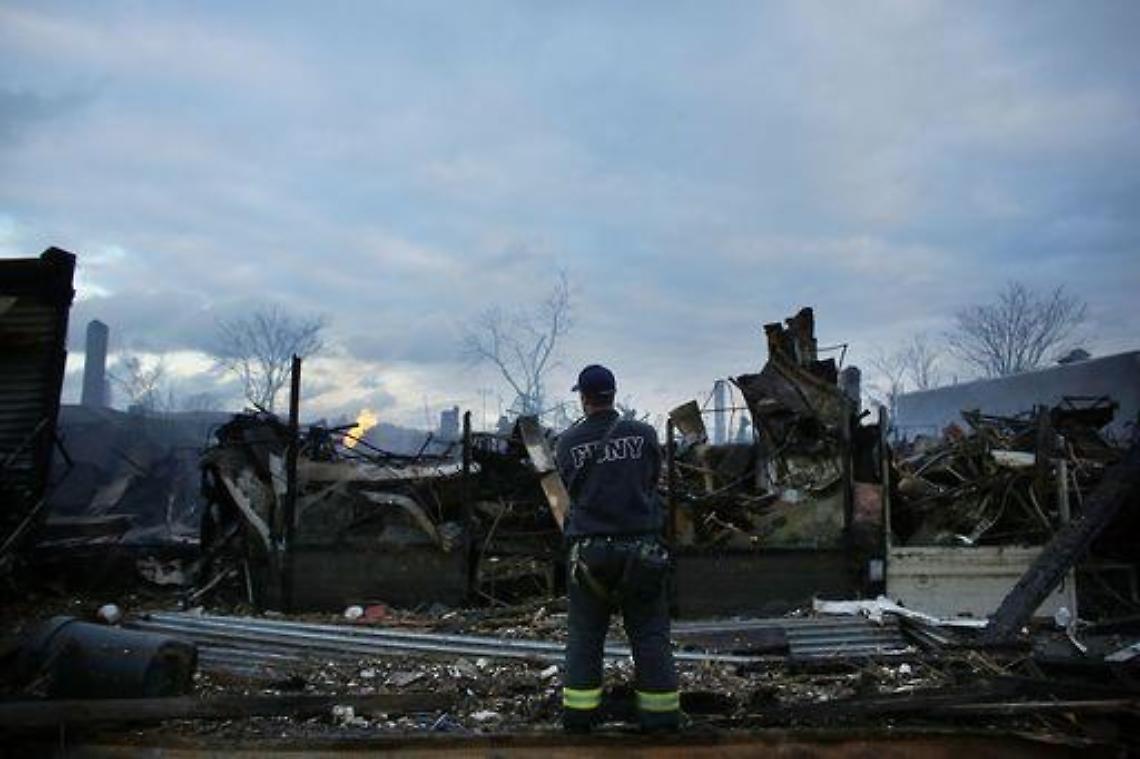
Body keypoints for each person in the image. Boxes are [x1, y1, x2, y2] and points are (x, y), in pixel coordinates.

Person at [555, 364, 680, 733]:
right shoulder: (643, 435)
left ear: (583, 397)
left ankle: (579, 718)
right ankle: (660, 718)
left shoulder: (567, 443)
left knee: (585, 636)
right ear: (614, 392)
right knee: (650, 634)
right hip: (641, 551)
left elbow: (568, 492)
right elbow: (652, 480)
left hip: (589, 556)